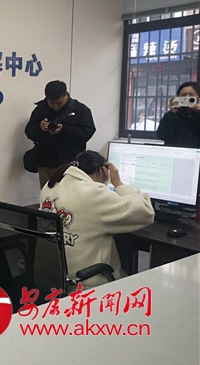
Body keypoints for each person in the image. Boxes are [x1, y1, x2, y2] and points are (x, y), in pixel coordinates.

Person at [39, 150, 155, 290]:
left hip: (53, 277)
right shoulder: (92, 192)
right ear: (101, 171)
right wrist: (119, 184)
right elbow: (145, 212)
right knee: (136, 283)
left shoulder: (50, 185)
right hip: (86, 283)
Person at [25, 80, 96, 188]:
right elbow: (29, 132)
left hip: (69, 163)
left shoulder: (81, 110)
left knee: (69, 194)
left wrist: (64, 129)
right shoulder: (41, 109)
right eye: (51, 103)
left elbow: (87, 133)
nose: (55, 107)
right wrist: (40, 128)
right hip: (45, 162)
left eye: (59, 103)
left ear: (66, 95)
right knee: (47, 194)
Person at [156, 81, 200, 148]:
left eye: (191, 95)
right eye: (183, 95)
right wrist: (172, 113)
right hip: (174, 152)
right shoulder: (172, 115)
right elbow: (161, 135)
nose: (187, 97)